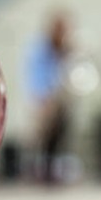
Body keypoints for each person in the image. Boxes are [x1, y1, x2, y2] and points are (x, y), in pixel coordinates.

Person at [24, 10, 73, 183]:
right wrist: (44, 99)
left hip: (59, 97)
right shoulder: (41, 49)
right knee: (44, 137)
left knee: (59, 134)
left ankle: (54, 169)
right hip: (44, 98)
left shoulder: (61, 50)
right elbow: (37, 76)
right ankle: (42, 172)